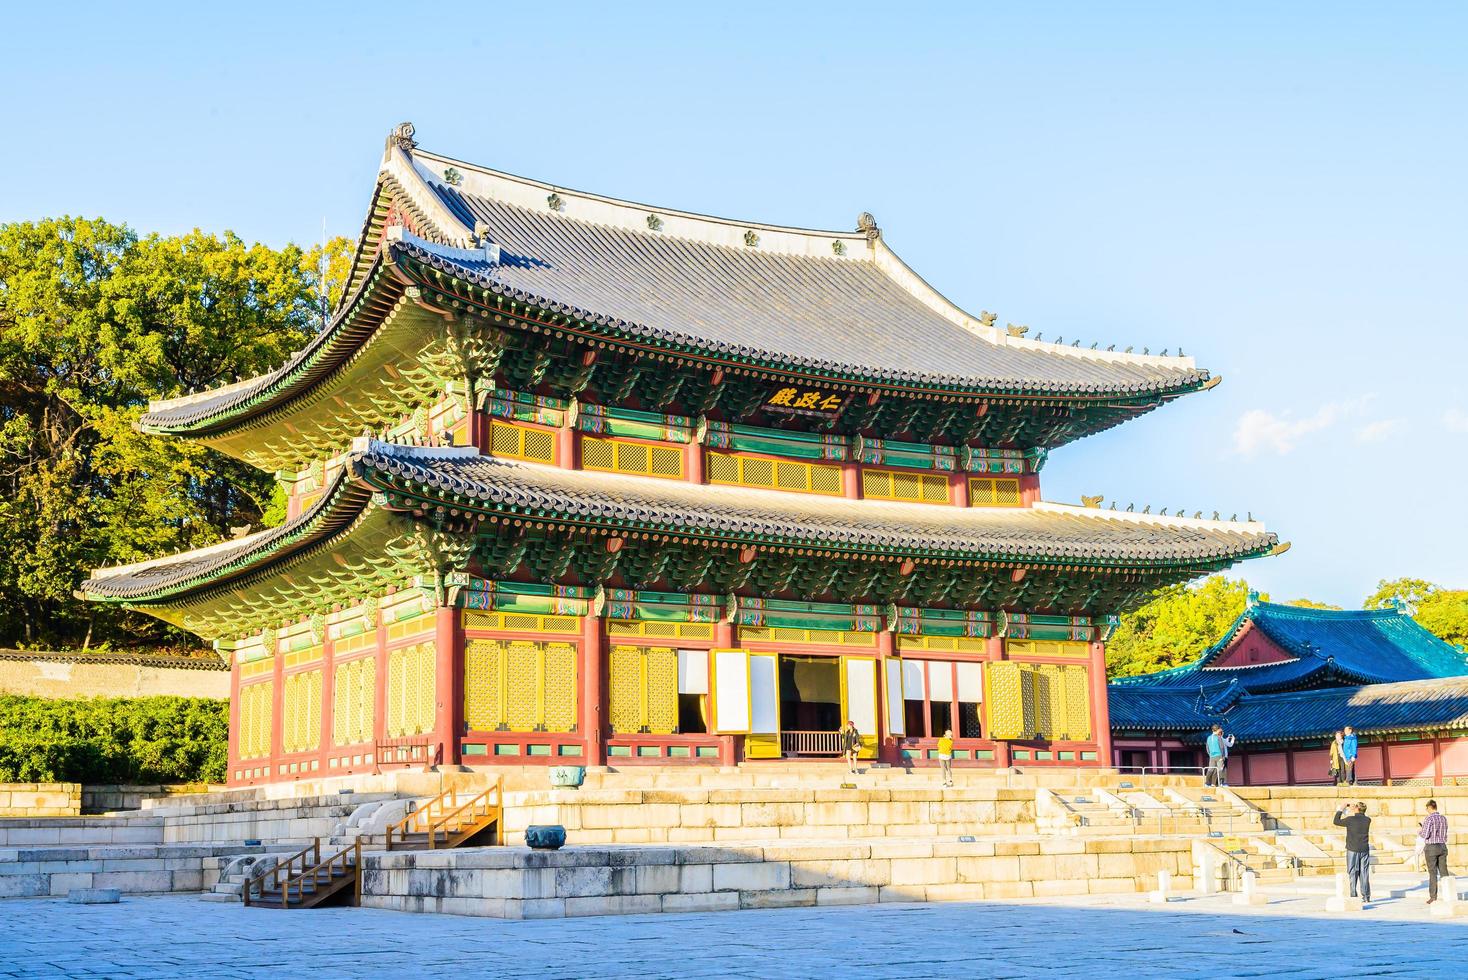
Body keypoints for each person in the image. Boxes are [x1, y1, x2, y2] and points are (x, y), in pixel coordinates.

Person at [1333, 801, 1372, 903]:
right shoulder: (1368, 820)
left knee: (1352, 872)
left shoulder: (1350, 819)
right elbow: (1362, 815)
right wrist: (1356, 808)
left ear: (1357, 809)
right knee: (1364, 873)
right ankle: (1366, 896)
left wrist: (1341, 809)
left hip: (1352, 849)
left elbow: (1336, 821)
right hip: (1364, 849)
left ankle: (1353, 895)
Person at [1419, 799, 1450, 904]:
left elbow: (1425, 834)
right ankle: (1448, 894)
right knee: (1444, 872)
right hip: (1442, 846)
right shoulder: (1443, 818)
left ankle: (1433, 896)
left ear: (1429, 808)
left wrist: (1420, 831)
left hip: (1431, 847)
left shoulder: (1429, 819)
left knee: (1432, 873)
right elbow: (1445, 833)